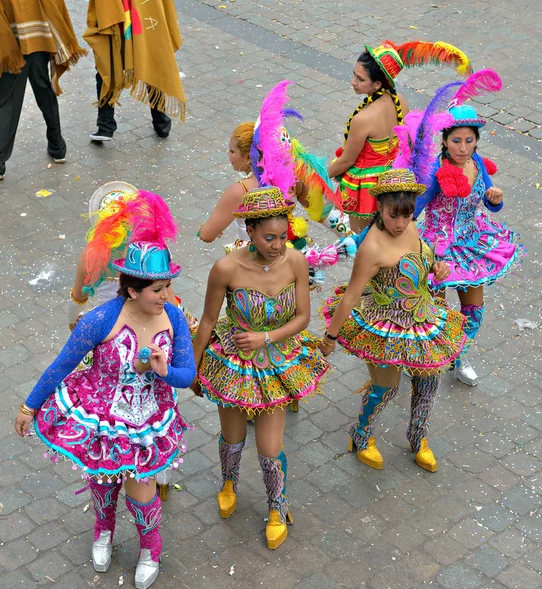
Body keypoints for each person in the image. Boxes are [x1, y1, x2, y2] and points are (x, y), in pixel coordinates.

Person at [15, 216, 196, 589]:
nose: (166, 297)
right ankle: (103, 530)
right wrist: (29, 407)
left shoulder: (174, 317)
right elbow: (62, 364)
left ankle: (150, 550)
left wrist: (165, 371)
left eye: (167, 287)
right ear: (132, 290)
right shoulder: (98, 320)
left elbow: (187, 376)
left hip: (149, 419)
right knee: (102, 481)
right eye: (157, 290)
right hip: (102, 417)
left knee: (141, 490)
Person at [191, 185, 330, 550]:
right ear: (249, 231)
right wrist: (191, 367)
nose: (277, 244)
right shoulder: (225, 268)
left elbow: (303, 318)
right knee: (233, 437)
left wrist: (265, 338)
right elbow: (207, 320)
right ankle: (228, 483)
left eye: (284, 236)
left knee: (270, 447)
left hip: (277, 363)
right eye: (269, 237)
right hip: (233, 364)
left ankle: (277, 506)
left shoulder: (296, 262)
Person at [320, 168, 469, 473]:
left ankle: (418, 439)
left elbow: (422, 262)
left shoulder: (411, 227)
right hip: (384, 325)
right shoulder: (372, 248)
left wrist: (437, 267)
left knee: (429, 381)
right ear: (380, 208)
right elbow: (350, 296)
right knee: (385, 387)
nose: (400, 223)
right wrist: (330, 338)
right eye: (393, 216)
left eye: (407, 214)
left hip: (422, 318)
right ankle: (361, 435)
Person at [415, 103, 523, 386]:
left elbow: (488, 201)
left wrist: (495, 200)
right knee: (435, 315)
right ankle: (427, 358)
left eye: (469, 140)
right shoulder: (434, 171)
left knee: (473, 312)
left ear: (476, 141)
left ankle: (457, 357)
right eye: (456, 141)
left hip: (473, 243)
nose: (463, 147)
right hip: (438, 249)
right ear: (444, 140)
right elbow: (415, 209)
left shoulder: (477, 163)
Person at [328, 40, 472, 233]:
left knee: (362, 241)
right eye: (354, 75)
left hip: (366, 191)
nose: (353, 82)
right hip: (394, 183)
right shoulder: (400, 102)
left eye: (360, 79)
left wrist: (318, 175)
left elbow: (346, 161)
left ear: (377, 83)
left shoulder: (362, 119)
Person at [197, 81, 349, 247]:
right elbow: (322, 213)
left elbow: (207, 235)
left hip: (255, 263)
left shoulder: (241, 191)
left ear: (249, 157)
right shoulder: (294, 180)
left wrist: (205, 228)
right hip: (288, 257)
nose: (229, 155)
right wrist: (349, 236)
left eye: (232, 151)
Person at [0, 0, 86, 179]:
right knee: (43, 90)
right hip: (36, 38)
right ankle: (57, 147)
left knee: (6, 101)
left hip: (9, 43)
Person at [83, 0, 186, 141]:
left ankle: (105, 127)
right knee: (151, 63)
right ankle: (161, 124)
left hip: (118, 22)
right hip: (142, 20)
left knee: (109, 65)